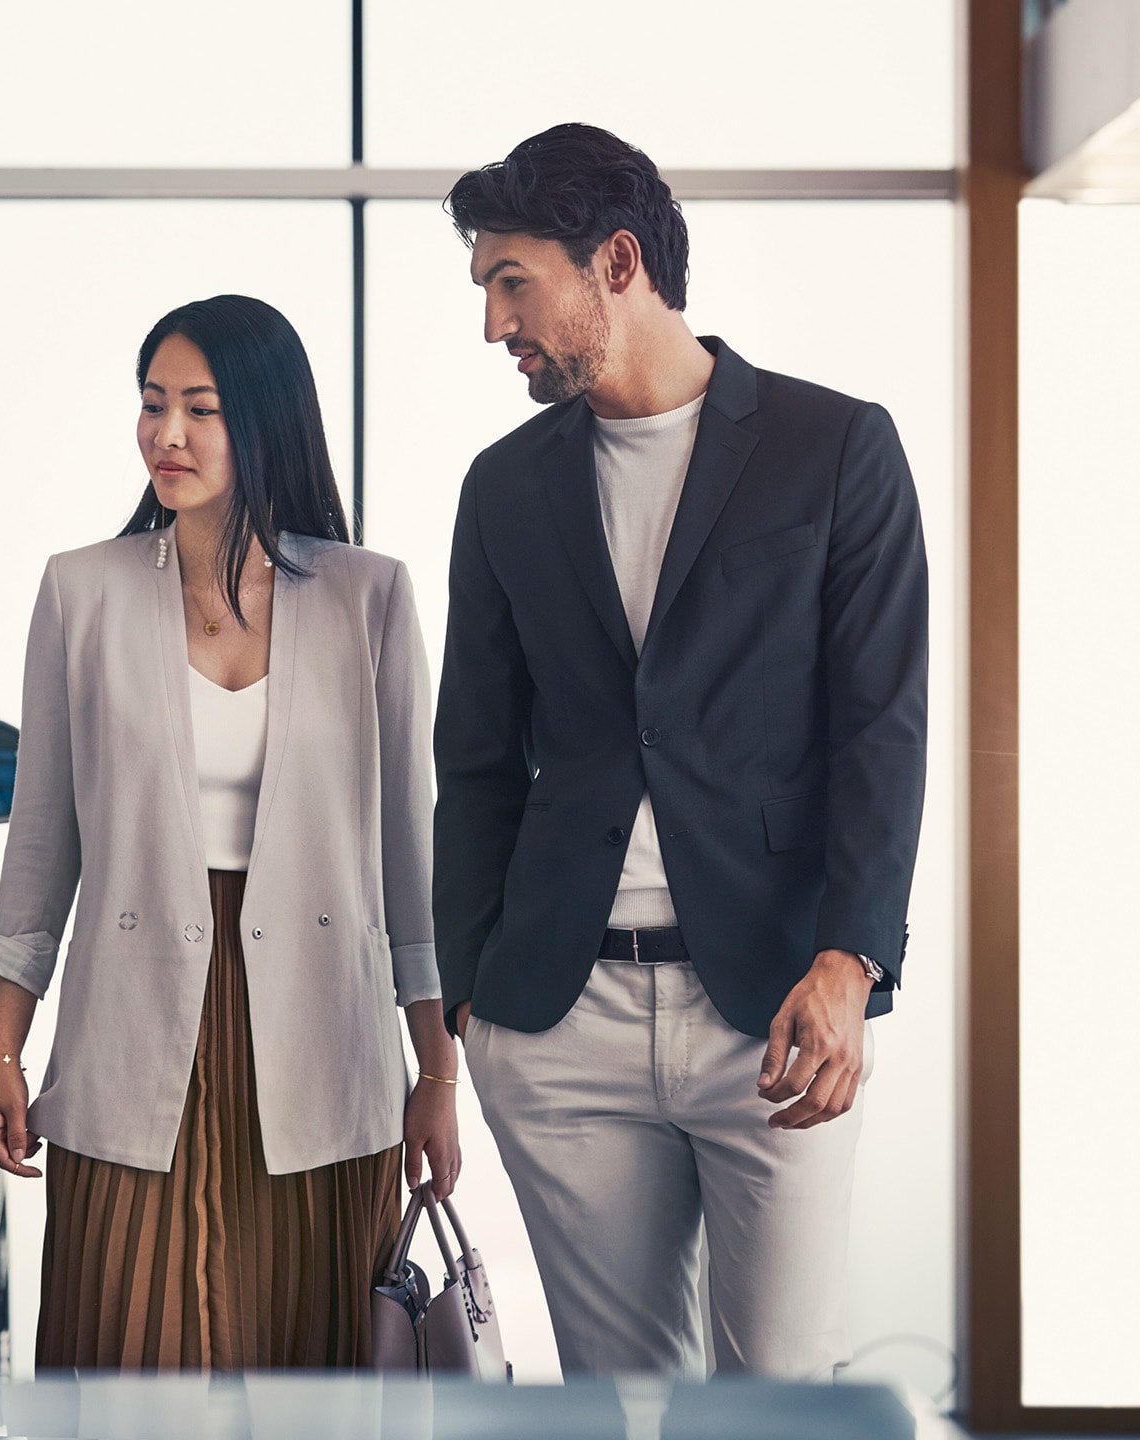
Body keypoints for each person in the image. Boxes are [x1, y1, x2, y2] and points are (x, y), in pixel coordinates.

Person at [432, 124, 928, 1379]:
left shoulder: (836, 449)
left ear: (617, 260)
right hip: (562, 1015)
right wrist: (471, 992)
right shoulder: (503, 488)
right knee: (620, 1405)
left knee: (779, 1395)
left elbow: (884, 725)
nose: (495, 325)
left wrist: (852, 958)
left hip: (771, 1011)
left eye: (511, 282)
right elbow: (476, 757)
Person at [0, 294, 460, 1371]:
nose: (168, 434)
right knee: (130, 1365)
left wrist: (436, 1076)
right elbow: (41, 843)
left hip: (323, 1042)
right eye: (152, 405)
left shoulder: (368, 597)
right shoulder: (82, 591)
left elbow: (407, 864)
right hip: (133, 1027)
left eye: (200, 408)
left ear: (266, 420)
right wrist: (4, 1047)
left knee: (313, 1373)